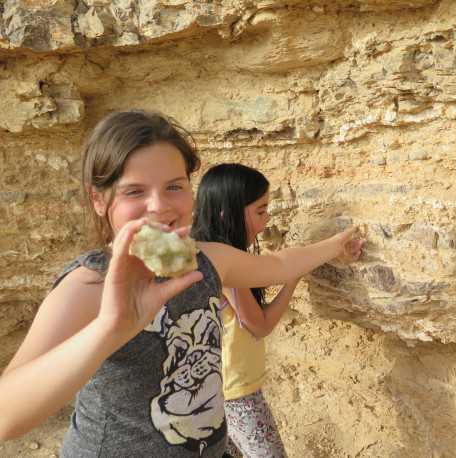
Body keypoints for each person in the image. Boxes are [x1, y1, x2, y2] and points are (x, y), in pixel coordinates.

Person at [0, 110, 364, 458]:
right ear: (99, 200)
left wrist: (335, 245)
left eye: (174, 186)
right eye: (134, 191)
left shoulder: (206, 259)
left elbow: (275, 265)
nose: (159, 206)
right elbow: (7, 414)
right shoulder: (90, 284)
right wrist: (110, 329)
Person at [192, 163, 296, 457]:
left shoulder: (204, 252)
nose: (266, 220)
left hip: (217, 391)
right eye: (260, 211)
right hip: (236, 395)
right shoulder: (226, 267)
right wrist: (292, 281)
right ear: (229, 215)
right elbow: (259, 325)